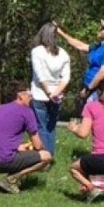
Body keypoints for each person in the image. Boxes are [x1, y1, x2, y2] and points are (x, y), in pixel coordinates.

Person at [0, 84, 52, 194]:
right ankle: (11, 180)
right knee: (46, 156)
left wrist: (18, 147)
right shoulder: (26, 111)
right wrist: (41, 150)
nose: (31, 97)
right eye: (29, 94)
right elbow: (38, 145)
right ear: (20, 96)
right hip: (2, 161)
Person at [29, 21, 70, 154]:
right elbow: (65, 78)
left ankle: (43, 157)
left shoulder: (37, 51)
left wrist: (48, 92)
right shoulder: (63, 53)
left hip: (40, 94)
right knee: (51, 127)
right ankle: (49, 154)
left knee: (41, 126)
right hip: (57, 96)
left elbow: (40, 75)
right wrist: (56, 93)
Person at [58, 17, 104, 100]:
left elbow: (103, 73)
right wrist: (60, 33)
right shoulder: (100, 47)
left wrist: (88, 89)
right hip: (93, 90)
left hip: (101, 91)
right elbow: (80, 46)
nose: (100, 29)